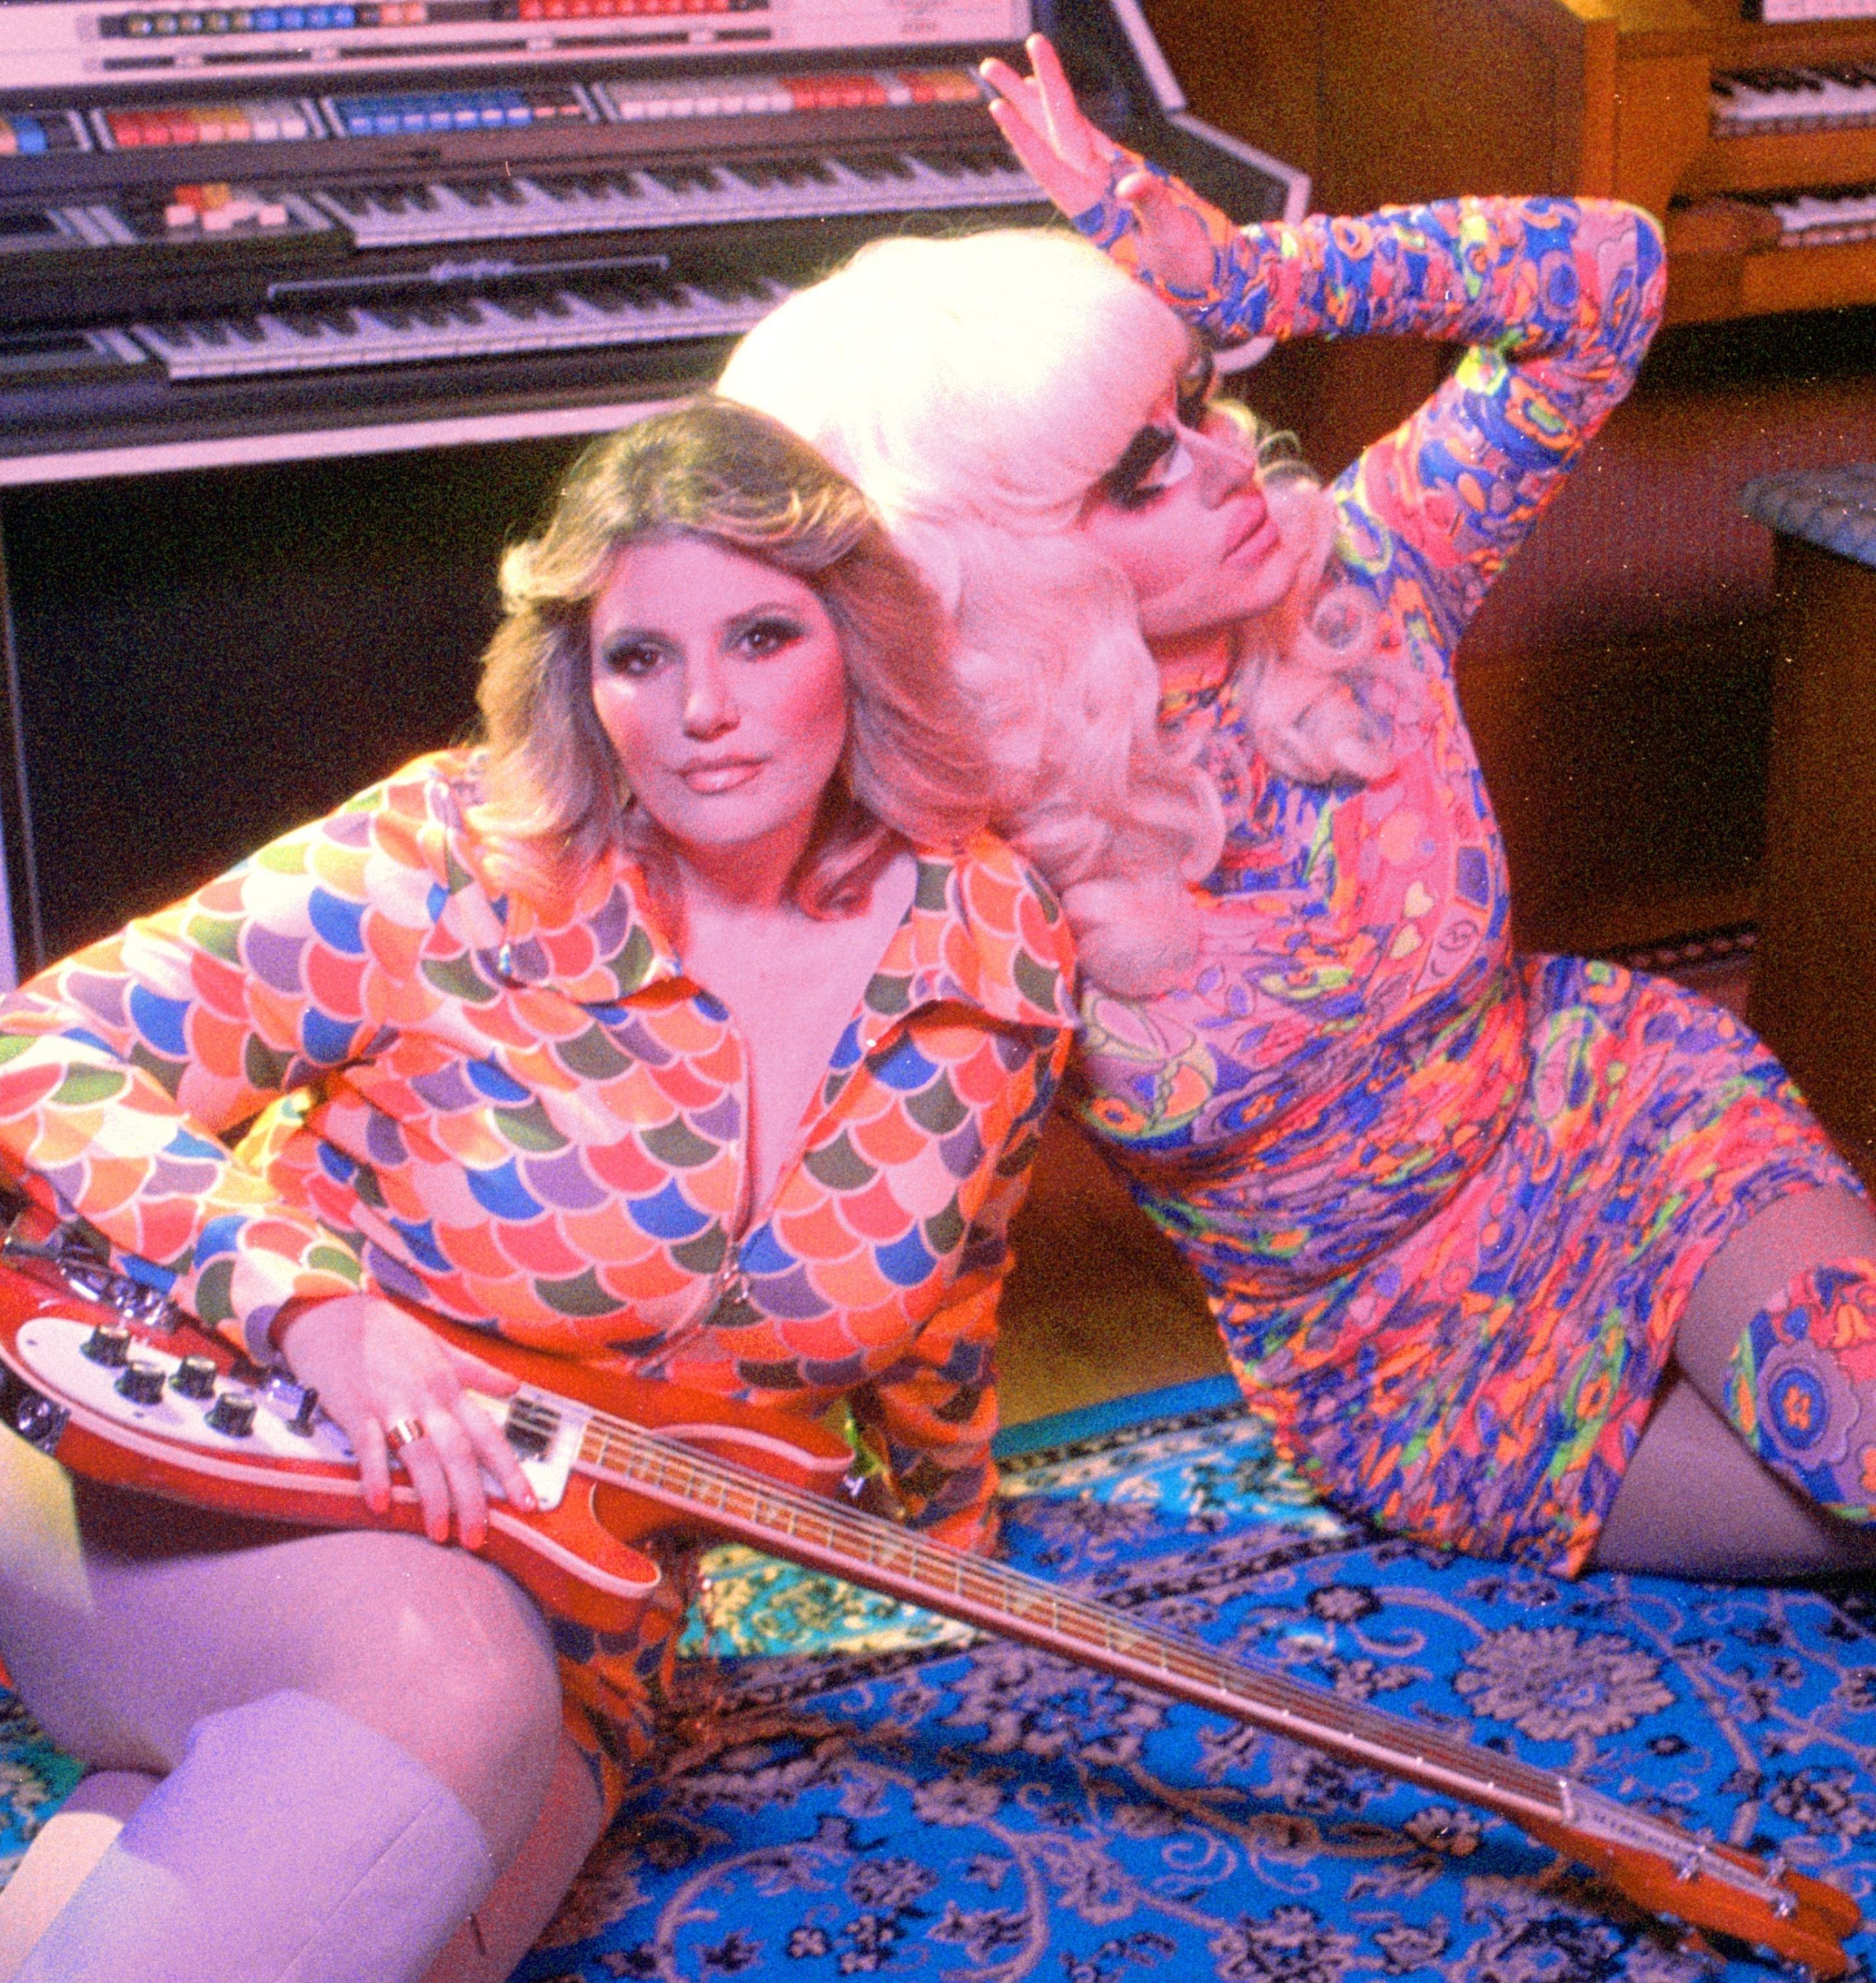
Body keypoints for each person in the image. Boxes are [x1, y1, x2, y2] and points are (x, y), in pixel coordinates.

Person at [0, 399, 1075, 1983]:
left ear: (859, 644)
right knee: (447, 1687)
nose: (704, 712)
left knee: (359, 1908)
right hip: (177, 1440)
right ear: (579, 683)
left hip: (582, 1598)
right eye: (639, 657)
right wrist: (316, 1310)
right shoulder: (448, 863)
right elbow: (26, 1056)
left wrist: (953, 1527)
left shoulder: (992, 940)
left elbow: (955, 1276)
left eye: (761, 637)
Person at [717, 35, 1876, 1586]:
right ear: (1006, 574)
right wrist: (938, 1511)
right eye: (1140, 473)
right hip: (1411, 1372)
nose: (1224, 466)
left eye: (1197, 405)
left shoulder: (1367, 580)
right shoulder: (975, 856)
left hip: (1620, 1125)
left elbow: (1609, 279)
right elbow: (929, 1239)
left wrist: (1247, 276)